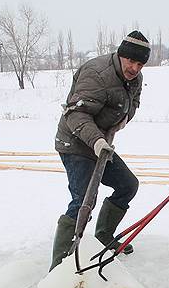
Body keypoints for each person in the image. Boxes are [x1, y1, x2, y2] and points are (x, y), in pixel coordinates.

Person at [49, 31, 149, 270]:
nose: (134, 67)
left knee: (127, 185)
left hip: (100, 145)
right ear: (120, 55)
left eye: (140, 63)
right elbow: (76, 113)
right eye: (130, 61)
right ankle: (59, 267)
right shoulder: (97, 74)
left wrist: (119, 123)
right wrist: (96, 140)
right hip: (74, 142)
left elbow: (132, 104)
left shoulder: (135, 78)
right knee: (84, 200)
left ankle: (104, 235)